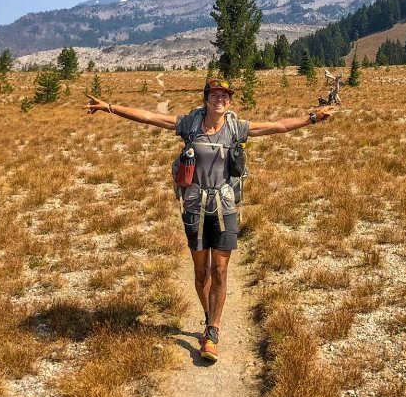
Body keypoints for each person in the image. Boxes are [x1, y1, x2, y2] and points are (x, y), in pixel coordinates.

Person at [85, 77, 333, 363]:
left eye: (225, 95)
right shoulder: (189, 125)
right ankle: (207, 313)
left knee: (221, 270)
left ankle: (212, 330)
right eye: (215, 94)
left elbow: (276, 126)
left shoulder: (236, 128)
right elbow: (151, 117)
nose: (220, 99)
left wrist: (312, 118)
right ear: (206, 98)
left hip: (226, 206)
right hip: (195, 206)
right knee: (201, 271)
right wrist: (109, 107)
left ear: (229, 100)